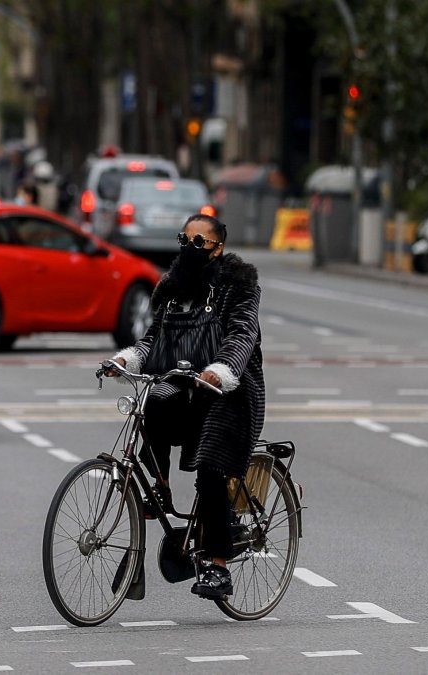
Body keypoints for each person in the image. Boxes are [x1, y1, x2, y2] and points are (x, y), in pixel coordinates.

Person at [107, 213, 265, 600]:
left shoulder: (239, 285)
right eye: (184, 241)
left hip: (233, 393)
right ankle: (159, 488)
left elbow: (243, 335)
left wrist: (220, 371)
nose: (190, 249)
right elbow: (152, 340)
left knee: (211, 469)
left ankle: (218, 566)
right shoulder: (172, 288)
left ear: (217, 248)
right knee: (152, 405)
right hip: (183, 388)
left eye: (199, 243)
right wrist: (126, 361)